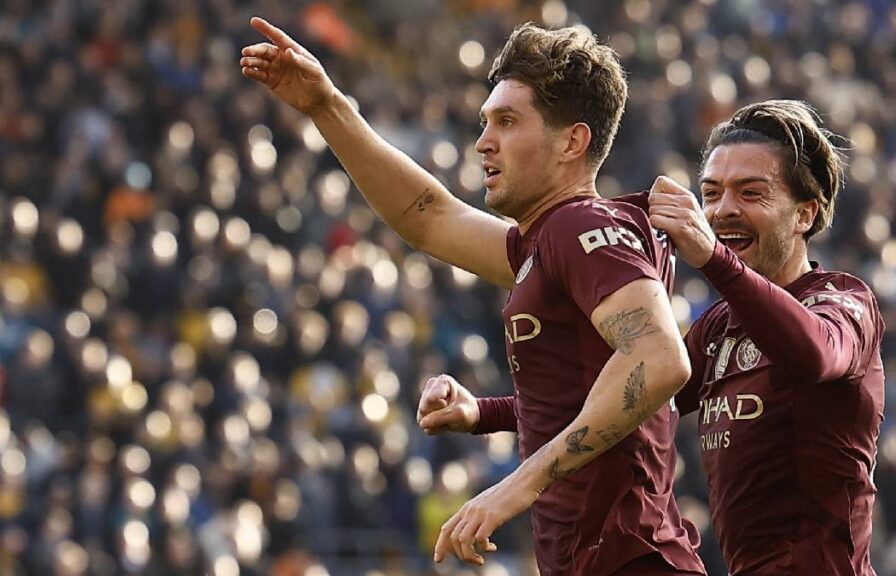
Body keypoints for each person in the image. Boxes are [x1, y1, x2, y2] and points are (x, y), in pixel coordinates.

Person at [239, 17, 705, 576]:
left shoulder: (578, 228)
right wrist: (327, 106)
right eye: (486, 122)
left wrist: (516, 487)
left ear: (572, 142)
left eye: (507, 121)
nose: (484, 140)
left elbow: (658, 359)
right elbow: (428, 218)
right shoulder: (545, 243)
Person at [647, 100, 885, 575]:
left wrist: (714, 258)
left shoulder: (843, 300)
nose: (723, 211)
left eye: (751, 193)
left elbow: (815, 354)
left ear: (804, 214)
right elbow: (628, 400)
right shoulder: (718, 328)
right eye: (710, 194)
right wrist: (482, 411)